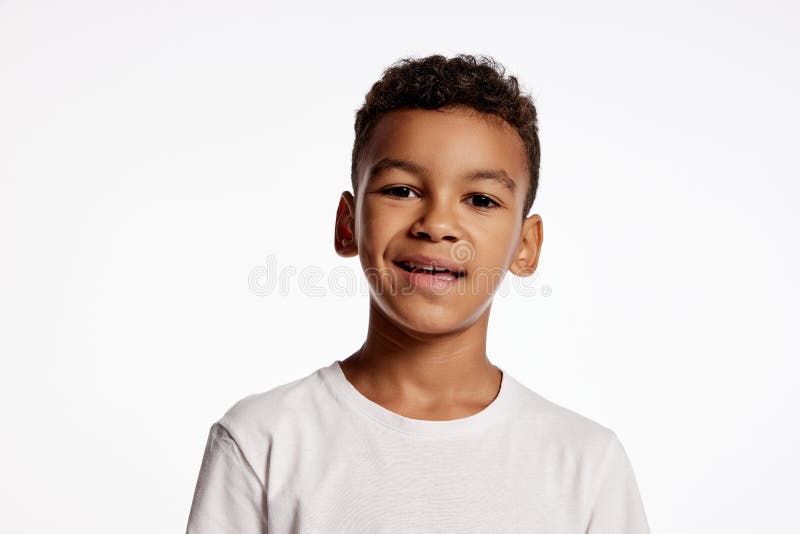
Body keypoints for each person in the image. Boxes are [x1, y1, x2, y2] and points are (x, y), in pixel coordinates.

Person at [185, 53, 651, 533]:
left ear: (526, 246)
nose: (437, 226)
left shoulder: (587, 465)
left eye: (480, 200)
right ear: (348, 225)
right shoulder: (263, 441)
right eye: (402, 190)